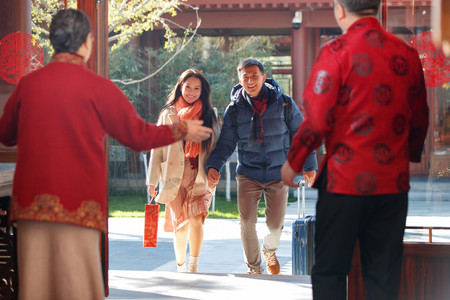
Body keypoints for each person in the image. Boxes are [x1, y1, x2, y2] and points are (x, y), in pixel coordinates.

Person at [0, 9, 212, 300]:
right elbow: (139, 137)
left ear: (52, 41)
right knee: (78, 288)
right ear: (88, 42)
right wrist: (180, 130)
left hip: (31, 205)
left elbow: (6, 135)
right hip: (80, 205)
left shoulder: (28, 85)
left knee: (35, 287)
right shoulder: (99, 88)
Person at [281, 1, 429, 299]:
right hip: (392, 184)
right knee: (384, 276)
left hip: (344, 182)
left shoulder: (336, 51)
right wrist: (408, 156)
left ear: (340, 10)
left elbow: (317, 118)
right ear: (376, 7)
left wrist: (294, 161)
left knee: (330, 270)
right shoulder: (407, 54)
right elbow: (420, 116)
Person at [206, 58, 318, 275]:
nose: (249, 81)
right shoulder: (235, 110)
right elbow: (226, 143)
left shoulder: (284, 103)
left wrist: (310, 164)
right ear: (239, 79)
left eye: (254, 76)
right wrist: (214, 166)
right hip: (248, 173)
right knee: (247, 221)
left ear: (263, 77)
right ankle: (254, 268)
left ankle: (269, 251)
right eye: (245, 77)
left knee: (275, 226)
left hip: (278, 172)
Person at [147, 69, 220, 273]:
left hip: (200, 175)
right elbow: (157, 149)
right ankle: (180, 267)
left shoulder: (210, 114)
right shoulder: (167, 114)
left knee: (197, 221)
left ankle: (194, 267)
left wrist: (215, 169)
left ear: (202, 92)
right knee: (181, 228)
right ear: (180, 86)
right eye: (188, 87)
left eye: (197, 88)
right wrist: (152, 181)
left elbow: (216, 147)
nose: (192, 92)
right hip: (174, 176)